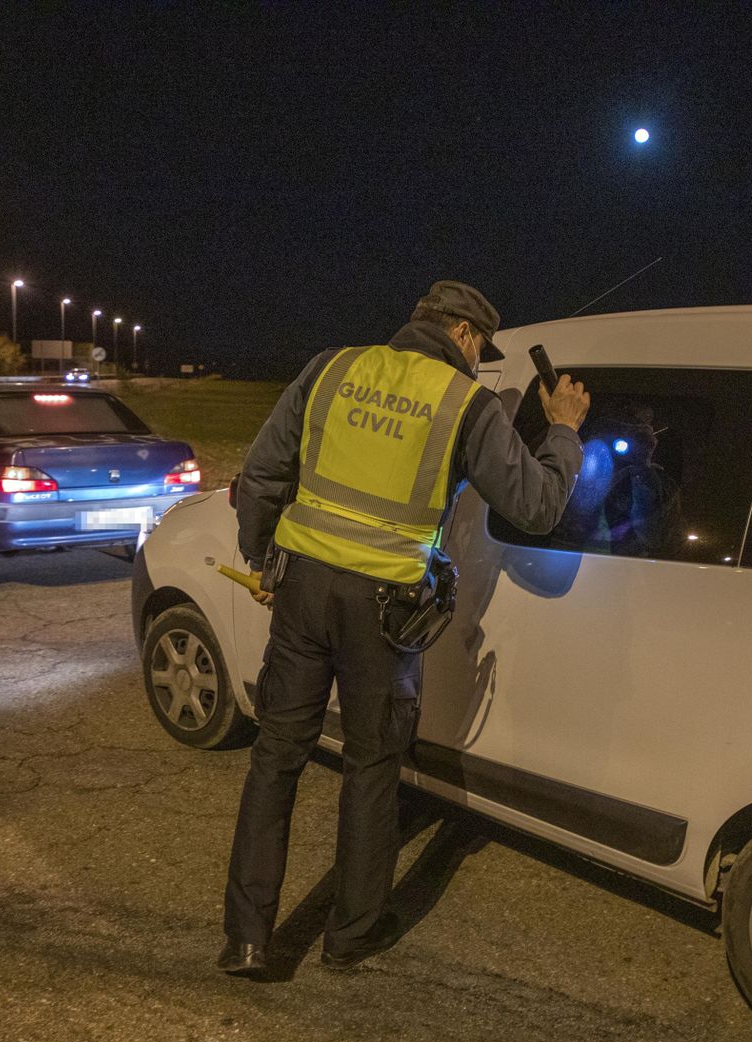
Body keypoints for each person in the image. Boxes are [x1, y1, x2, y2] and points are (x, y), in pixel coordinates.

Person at [220, 280, 590, 976]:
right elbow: (537, 506)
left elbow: (264, 471)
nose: (479, 361)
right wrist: (564, 429)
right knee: (371, 765)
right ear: (462, 334)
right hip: (383, 611)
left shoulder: (330, 367)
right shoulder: (464, 404)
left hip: (301, 592)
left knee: (276, 759)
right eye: (480, 347)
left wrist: (264, 561)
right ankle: (350, 935)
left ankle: (246, 940)